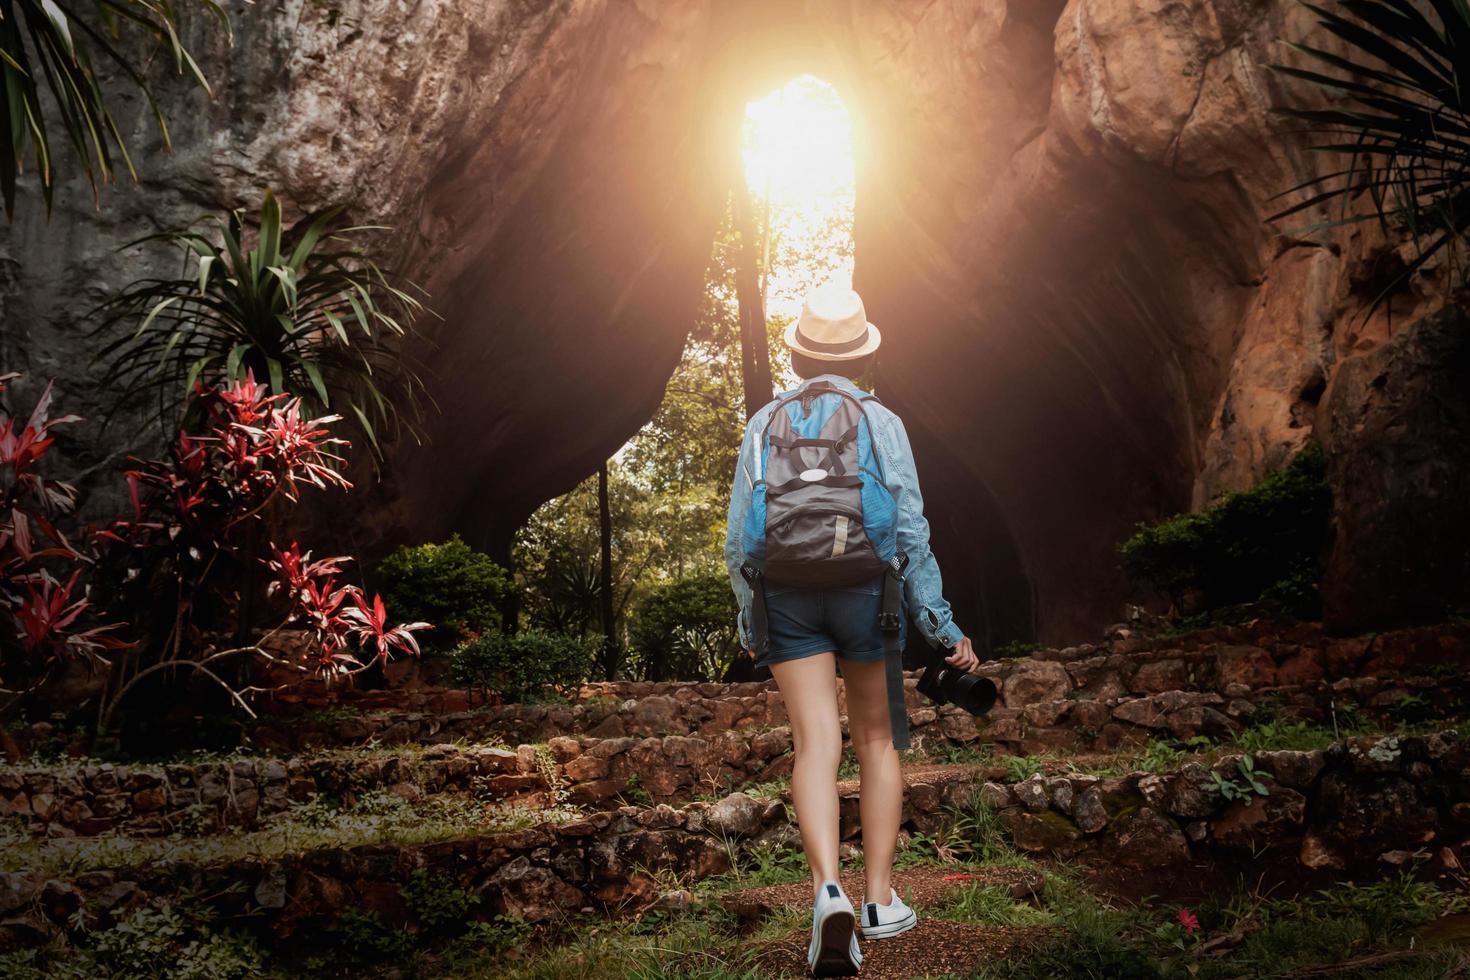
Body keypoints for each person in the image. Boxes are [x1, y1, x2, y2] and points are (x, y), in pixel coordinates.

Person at [724, 282, 980, 977]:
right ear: (862, 355)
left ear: (800, 354)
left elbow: (740, 541)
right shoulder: (880, 420)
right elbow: (909, 530)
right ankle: (877, 901)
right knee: (874, 739)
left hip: (788, 597)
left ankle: (825, 891)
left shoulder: (765, 421)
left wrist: (753, 621)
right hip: (870, 594)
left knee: (816, 743)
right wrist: (941, 623)